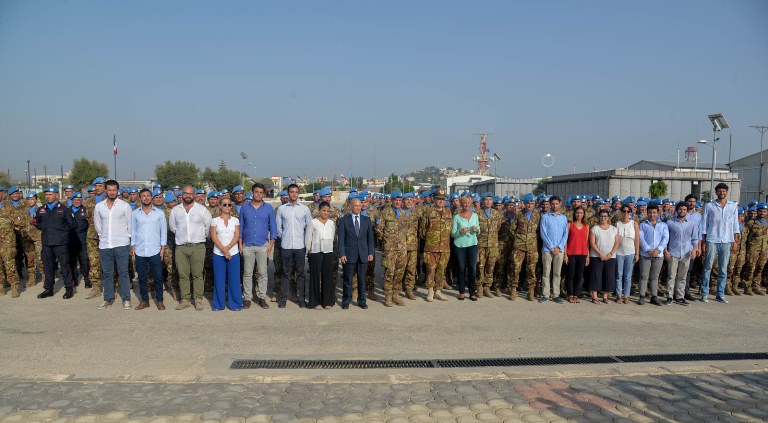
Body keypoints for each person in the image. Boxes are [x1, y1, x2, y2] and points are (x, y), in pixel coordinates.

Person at [169, 185, 213, 310]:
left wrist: (200, 237)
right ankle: (185, 299)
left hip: (198, 246)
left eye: (190, 193)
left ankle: (198, 299)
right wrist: (182, 236)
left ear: (194, 195)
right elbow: (173, 227)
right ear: (182, 195)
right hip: (181, 247)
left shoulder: (202, 210)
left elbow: (208, 226)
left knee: (197, 274)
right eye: (185, 193)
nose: (188, 196)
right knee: (183, 275)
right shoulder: (175, 210)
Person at [94, 180, 133, 310]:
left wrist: (127, 241)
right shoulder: (99, 206)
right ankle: (107, 299)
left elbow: (130, 225)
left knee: (123, 272)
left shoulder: (124, 206)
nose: (112, 192)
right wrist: (104, 236)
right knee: (107, 273)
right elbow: (98, 226)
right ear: (105, 190)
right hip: (105, 244)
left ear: (117, 191)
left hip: (121, 244)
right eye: (109, 190)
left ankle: (126, 298)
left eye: (114, 190)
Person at [700, 183, 740, 303]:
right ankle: (704, 293)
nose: (721, 193)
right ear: (716, 192)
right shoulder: (709, 206)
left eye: (724, 191)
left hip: (727, 240)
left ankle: (720, 294)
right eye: (719, 191)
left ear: (727, 192)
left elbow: (735, 224)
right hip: (712, 239)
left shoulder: (733, 206)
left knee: (723, 268)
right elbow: (704, 224)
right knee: (708, 267)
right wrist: (703, 241)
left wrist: (735, 239)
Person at [34, 186, 76, 299]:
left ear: (57, 195)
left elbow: (72, 224)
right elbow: (36, 222)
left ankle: (69, 288)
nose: (48, 196)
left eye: (50, 194)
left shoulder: (64, 209)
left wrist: (62, 232)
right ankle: (49, 289)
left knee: (64, 267)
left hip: (60, 243)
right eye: (46, 194)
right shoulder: (41, 209)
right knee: (48, 266)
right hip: (46, 243)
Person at [239, 183, 276, 309]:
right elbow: (241, 226)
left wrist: (271, 244)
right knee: (247, 273)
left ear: (264, 194)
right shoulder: (245, 208)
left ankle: (261, 298)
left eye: (261, 192)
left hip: (262, 245)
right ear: (252, 193)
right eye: (256, 192)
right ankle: (247, 298)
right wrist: (240, 244)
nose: (258, 194)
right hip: (248, 244)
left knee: (263, 273)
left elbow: (273, 227)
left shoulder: (269, 208)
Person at [275, 184, 312, 308]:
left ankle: (301, 298)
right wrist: (285, 237)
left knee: (300, 274)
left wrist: (307, 243)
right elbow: (278, 228)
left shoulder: (304, 209)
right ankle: (284, 298)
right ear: (288, 193)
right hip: (286, 246)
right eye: (291, 192)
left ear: (298, 193)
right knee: (285, 273)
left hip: (300, 246)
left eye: (296, 192)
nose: (294, 194)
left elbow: (308, 227)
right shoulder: (282, 209)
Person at [131, 188, 168, 310]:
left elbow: (163, 232)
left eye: (148, 195)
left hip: (155, 250)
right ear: (140, 198)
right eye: (143, 196)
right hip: (140, 251)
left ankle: (160, 300)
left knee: (158, 277)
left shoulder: (159, 213)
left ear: (151, 198)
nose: (146, 198)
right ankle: (144, 301)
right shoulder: (135, 213)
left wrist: (162, 249)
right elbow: (133, 232)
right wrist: (133, 249)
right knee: (142, 277)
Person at [338, 196, 374, 309]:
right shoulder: (344, 220)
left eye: (360, 205)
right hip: (349, 254)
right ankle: (346, 300)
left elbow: (370, 239)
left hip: (363, 254)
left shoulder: (366, 220)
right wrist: (342, 254)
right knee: (348, 279)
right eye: (356, 205)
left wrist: (371, 253)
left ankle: (362, 300)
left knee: (362, 279)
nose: (358, 207)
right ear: (351, 206)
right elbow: (341, 239)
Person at [419, 189, 453, 302]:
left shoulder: (448, 212)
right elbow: (422, 231)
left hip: (445, 247)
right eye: (439, 199)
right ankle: (430, 291)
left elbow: (450, 228)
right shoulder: (428, 212)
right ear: (434, 199)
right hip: (431, 246)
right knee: (430, 269)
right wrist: (432, 238)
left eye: (443, 200)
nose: (441, 201)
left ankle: (438, 291)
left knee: (441, 269)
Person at [210, 197, 242, 311]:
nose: (227, 207)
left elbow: (237, 236)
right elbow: (214, 237)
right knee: (219, 279)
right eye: (225, 205)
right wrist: (223, 250)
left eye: (229, 205)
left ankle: (236, 304)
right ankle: (218, 304)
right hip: (218, 254)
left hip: (233, 253)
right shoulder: (214, 220)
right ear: (220, 206)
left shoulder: (235, 220)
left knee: (234, 279)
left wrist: (228, 249)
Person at [376, 190, 408, 307]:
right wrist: (386, 241)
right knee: (389, 272)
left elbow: (406, 230)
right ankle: (388, 297)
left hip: (402, 248)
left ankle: (396, 295)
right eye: (396, 200)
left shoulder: (403, 213)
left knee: (399, 272)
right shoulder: (385, 213)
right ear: (392, 200)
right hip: (390, 248)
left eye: (400, 200)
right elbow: (379, 230)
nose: (398, 202)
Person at [664, 201, 699, 306]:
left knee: (682, 277)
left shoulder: (692, 223)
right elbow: (666, 239)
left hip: (686, 253)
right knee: (671, 276)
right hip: (673, 253)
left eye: (684, 209)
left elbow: (694, 239)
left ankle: (680, 296)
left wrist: (694, 250)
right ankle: (669, 296)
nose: (682, 211)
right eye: (680, 209)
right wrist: (665, 251)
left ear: (687, 211)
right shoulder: (670, 223)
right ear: (676, 210)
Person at [305, 201, 336, 309]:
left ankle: (327, 301)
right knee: (315, 277)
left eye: (328, 211)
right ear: (319, 210)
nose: (326, 213)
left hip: (328, 252)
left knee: (327, 276)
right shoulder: (313, 222)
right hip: (315, 252)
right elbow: (308, 237)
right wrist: (308, 250)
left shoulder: (331, 223)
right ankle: (315, 302)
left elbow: (332, 236)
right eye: (323, 210)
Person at [510, 194, 540, 301]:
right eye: (528, 203)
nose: (530, 205)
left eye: (532, 203)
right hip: (519, 246)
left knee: (531, 269)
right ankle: (513, 289)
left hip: (532, 247)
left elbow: (539, 231)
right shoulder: (518, 214)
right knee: (515, 268)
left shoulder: (537, 215)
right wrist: (518, 239)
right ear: (524, 203)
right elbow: (512, 229)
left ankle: (530, 291)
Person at [539, 195, 568, 303]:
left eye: (557, 203)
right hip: (547, 249)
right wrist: (551, 247)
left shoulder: (563, 218)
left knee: (557, 273)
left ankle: (556, 294)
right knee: (546, 273)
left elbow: (565, 234)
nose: (555, 206)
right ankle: (545, 294)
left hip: (559, 250)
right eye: (553, 204)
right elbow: (543, 233)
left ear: (560, 204)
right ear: (550, 204)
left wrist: (559, 247)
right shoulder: (545, 217)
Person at [475, 193, 503, 298]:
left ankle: (487, 287)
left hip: (493, 245)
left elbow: (498, 227)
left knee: (490, 267)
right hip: (481, 244)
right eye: (486, 199)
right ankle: (479, 287)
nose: (488, 201)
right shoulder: (477, 213)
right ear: (482, 201)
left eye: (490, 200)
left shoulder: (497, 214)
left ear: (492, 202)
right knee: (480, 266)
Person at [451, 195, 479, 300]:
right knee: (461, 269)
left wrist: (477, 230)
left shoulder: (475, 216)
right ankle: (461, 292)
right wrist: (460, 232)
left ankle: (472, 292)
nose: (466, 205)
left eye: (468, 203)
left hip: (472, 244)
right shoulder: (457, 217)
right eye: (464, 203)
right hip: (460, 245)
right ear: (461, 204)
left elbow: (479, 229)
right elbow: (453, 233)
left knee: (472, 269)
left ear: (471, 204)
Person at [588, 210, 619, 304]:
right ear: (598, 217)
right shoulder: (594, 229)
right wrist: (600, 254)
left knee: (608, 276)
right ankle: (594, 297)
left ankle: (605, 297)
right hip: (596, 256)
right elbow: (592, 243)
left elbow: (617, 243)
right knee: (596, 276)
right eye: (601, 216)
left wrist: (610, 254)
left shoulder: (614, 229)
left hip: (611, 257)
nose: (603, 218)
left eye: (605, 216)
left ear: (608, 217)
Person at [614, 205, 640, 304]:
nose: (626, 213)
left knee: (628, 276)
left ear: (630, 212)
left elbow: (637, 239)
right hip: (619, 253)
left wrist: (637, 254)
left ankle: (627, 295)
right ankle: (619, 295)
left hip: (630, 253)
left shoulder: (634, 224)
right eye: (624, 211)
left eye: (628, 211)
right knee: (619, 275)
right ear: (621, 212)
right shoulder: (617, 224)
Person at [741, 203, 768, 296]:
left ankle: (756, 286)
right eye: (760, 211)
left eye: (764, 211)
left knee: (760, 268)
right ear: (757, 212)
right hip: (752, 250)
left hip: (764, 250)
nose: (762, 213)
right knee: (750, 268)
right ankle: (747, 287)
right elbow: (744, 238)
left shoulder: (767, 223)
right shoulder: (751, 223)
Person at [564, 207, 589, 303]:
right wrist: (565, 254)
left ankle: (576, 294)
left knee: (579, 275)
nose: (579, 214)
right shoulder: (569, 225)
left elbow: (587, 242)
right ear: (574, 214)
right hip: (571, 253)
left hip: (582, 253)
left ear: (584, 214)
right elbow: (565, 240)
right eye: (577, 213)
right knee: (570, 275)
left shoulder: (586, 226)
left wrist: (587, 255)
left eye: (581, 213)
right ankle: (570, 294)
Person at [68, 192, 90, 288]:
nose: (77, 201)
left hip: (82, 239)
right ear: (71, 201)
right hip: (70, 240)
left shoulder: (85, 211)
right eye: (74, 200)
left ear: (81, 200)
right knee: (72, 261)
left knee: (84, 260)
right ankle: (74, 280)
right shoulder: (67, 211)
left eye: (78, 200)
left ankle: (87, 279)